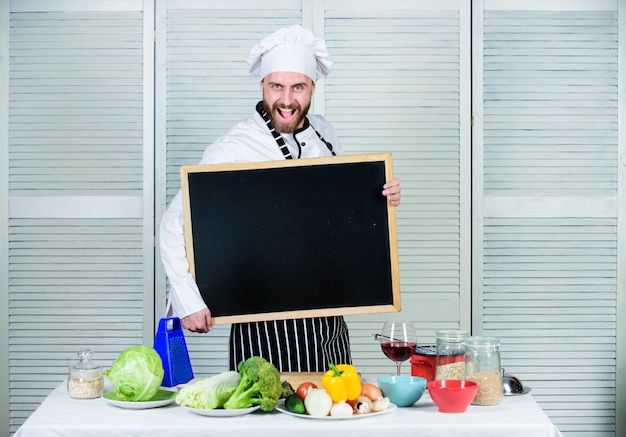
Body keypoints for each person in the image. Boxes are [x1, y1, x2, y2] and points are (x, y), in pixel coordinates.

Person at [159, 24, 401, 373]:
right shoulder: (234, 147)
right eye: (277, 86)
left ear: (312, 89)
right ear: (262, 86)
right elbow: (173, 224)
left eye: (298, 87)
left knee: (336, 412)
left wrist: (380, 198)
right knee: (267, 418)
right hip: (263, 322)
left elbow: (342, 213)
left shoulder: (324, 134)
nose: (286, 100)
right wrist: (188, 299)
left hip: (328, 316)